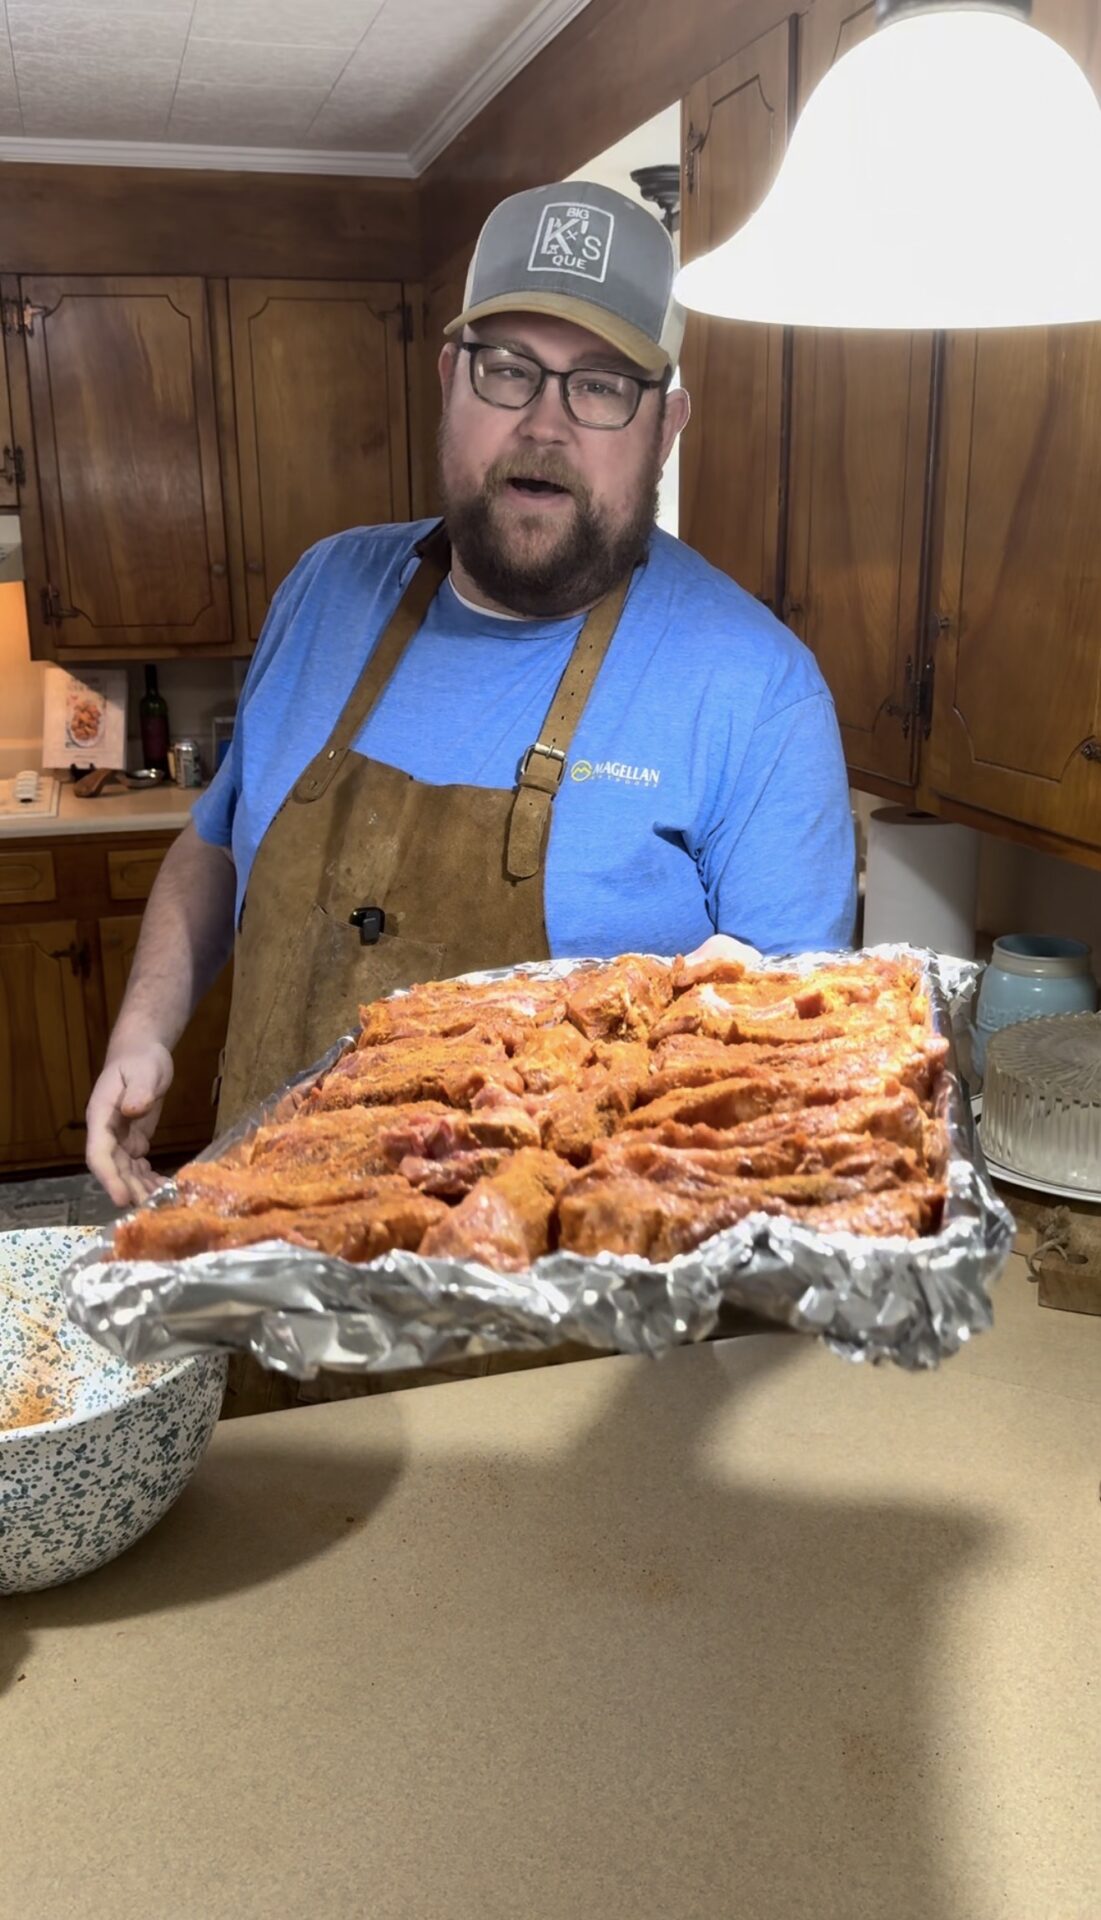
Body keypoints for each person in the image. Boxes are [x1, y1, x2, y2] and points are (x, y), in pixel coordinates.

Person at [86, 179, 856, 1211]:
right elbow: (217, 845)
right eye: (509, 371)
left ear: (665, 425)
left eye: (602, 385)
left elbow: (796, 1093)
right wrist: (144, 1027)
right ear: (452, 378)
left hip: (554, 1340)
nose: (546, 424)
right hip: (264, 1266)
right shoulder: (324, 592)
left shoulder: (757, 692)